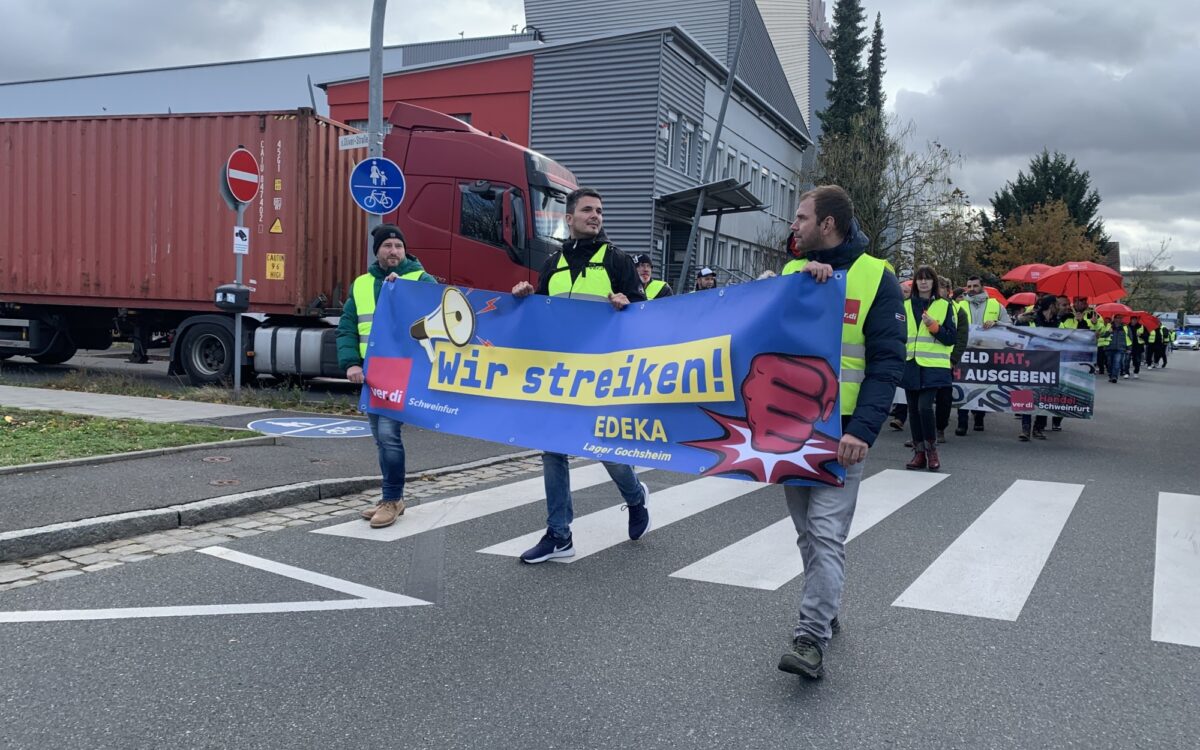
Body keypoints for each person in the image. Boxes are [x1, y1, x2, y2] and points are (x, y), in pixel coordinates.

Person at [776, 185, 905, 679]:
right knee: (808, 535)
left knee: (826, 533)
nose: (794, 225)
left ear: (827, 224)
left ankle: (810, 638)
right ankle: (825, 605)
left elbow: (886, 364)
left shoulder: (877, 277)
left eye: (802, 217)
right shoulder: (792, 272)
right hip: (793, 430)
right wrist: (805, 288)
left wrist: (864, 431)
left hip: (843, 434)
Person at [511, 187, 650, 563]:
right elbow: (539, 314)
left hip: (601, 377)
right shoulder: (552, 263)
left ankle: (635, 498)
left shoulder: (616, 260)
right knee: (552, 451)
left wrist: (628, 305)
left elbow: (645, 315)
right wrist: (524, 298)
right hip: (559, 376)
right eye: (588, 210)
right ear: (569, 218)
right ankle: (559, 535)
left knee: (605, 449)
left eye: (600, 211)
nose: (595, 216)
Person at [337, 224, 437, 528]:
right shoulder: (362, 284)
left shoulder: (420, 279)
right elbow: (347, 326)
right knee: (380, 438)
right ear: (377, 251)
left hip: (402, 370)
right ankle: (390, 498)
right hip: (372, 372)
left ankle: (392, 499)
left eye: (398, 246)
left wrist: (406, 292)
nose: (393, 251)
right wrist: (351, 363)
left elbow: (438, 309)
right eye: (387, 246)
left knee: (388, 435)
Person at [900, 265, 956, 470]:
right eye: (920, 278)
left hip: (933, 366)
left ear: (934, 282)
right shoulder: (905, 305)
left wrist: (933, 326)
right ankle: (919, 453)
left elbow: (951, 338)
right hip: (910, 363)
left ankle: (932, 451)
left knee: (924, 407)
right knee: (913, 410)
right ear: (915, 282)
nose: (923, 282)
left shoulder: (945, 305)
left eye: (928, 278)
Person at [954, 276, 1009, 436]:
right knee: (963, 386)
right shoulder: (959, 305)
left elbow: (1009, 326)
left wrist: (997, 323)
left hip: (987, 353)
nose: (971, 289)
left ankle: (979, 416)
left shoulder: (996, 306)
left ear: (982, 287)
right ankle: (962, 422)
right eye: (969, 286)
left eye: (975, 286)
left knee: (982, 386)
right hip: (964, 353)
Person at [1106, 313, 1129, 385]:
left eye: (1120, 318)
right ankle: (1110, 375)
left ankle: (1114, 377)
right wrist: (1108, 332)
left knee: (1117, 363)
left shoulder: (1125, 327)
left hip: (1120, 348)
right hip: (1109, 347)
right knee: (1109, 363)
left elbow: (1129, 338)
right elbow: (1102, 335)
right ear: (1114, 319)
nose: (1119, 319)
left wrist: (1128, 348)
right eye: (1117, 318)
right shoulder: (1109, 326)